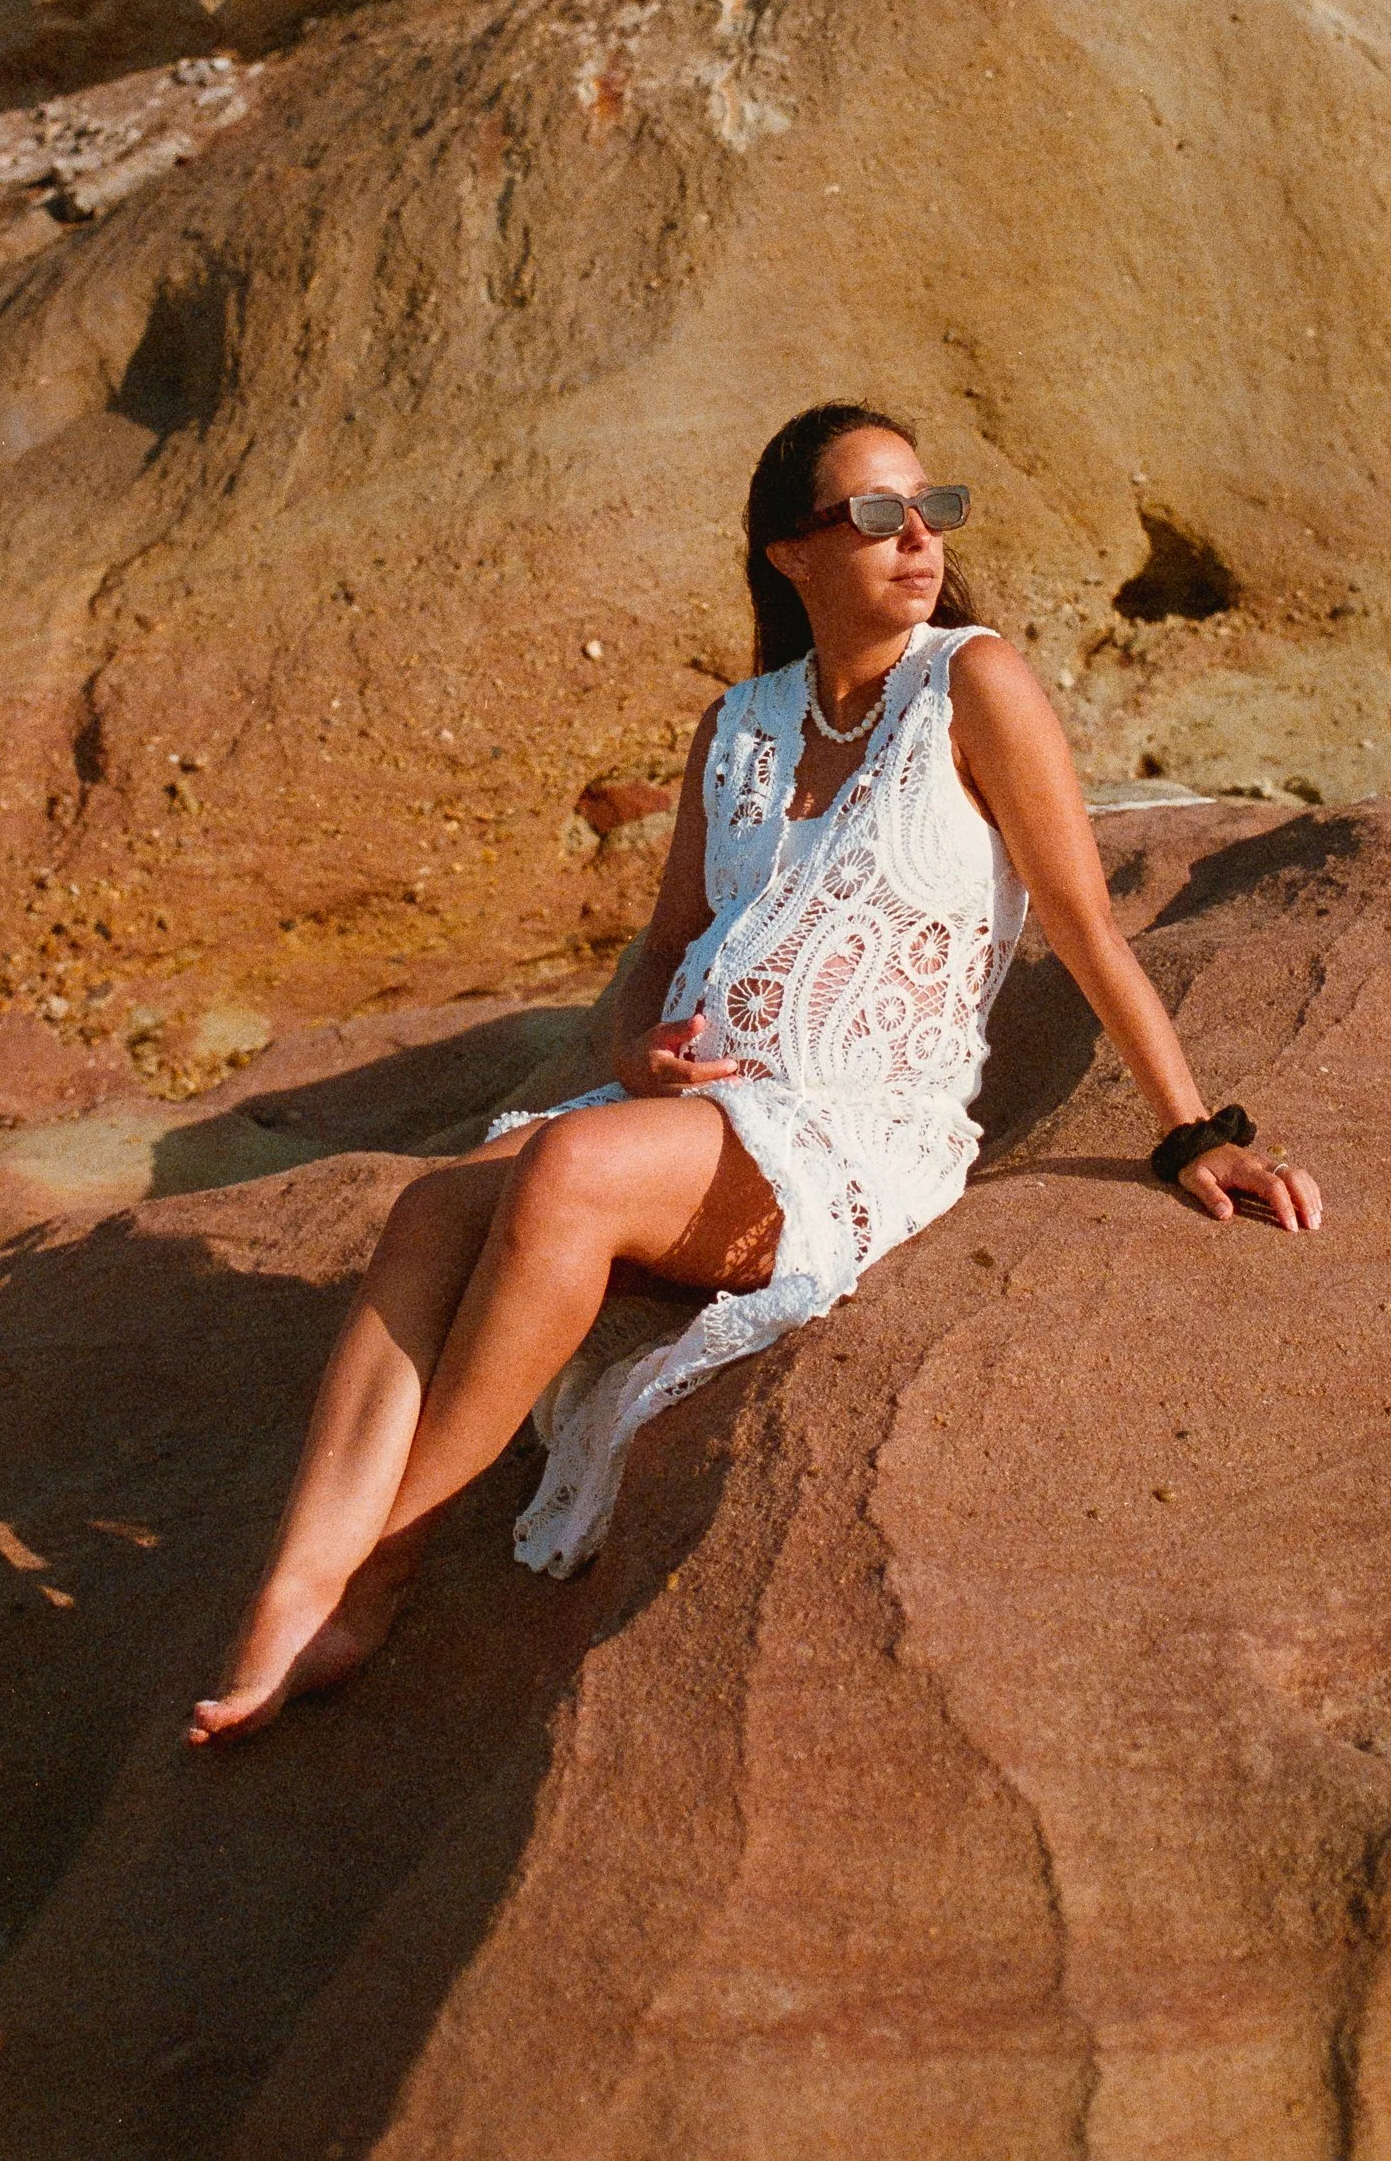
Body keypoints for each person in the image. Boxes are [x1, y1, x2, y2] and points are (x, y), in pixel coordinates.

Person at [188, 401, 1322, 1743]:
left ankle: (379, 1566)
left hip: (847, 1132)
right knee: (431, 1209)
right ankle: (285, 1595)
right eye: (877, 513)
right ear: (790, 553)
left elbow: (1081, 922)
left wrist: (1196, 1132)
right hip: (693, 1109)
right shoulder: (739, 725)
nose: (919, 540)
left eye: (931, 507)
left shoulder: (972, 685)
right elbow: (665, 944)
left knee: (562, 1167)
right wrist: (632, 1051)